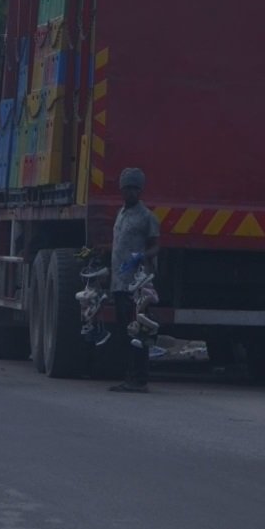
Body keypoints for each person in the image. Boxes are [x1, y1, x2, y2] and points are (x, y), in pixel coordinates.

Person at [107, 168, 161, 394]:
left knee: (138, 332)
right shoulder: (121, 214)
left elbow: (156, 245)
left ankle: (140, 379)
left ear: (140, 190)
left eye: (134, 188)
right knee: (123, 332)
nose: (130, 192)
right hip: (119, 283)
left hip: (137, 285)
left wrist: (142, 257)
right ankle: (128, 377)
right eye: (126, 188)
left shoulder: (146, 216)